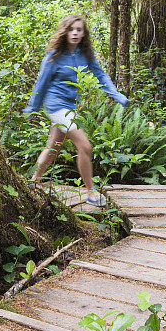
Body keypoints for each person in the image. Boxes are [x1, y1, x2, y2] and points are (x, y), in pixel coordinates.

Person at [23, 14, 129, 206]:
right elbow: (41, 83)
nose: (75, 33)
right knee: (85, 146)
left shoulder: (85, 54)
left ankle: (31, 182)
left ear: (83, 33)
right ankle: (91, 192)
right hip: (56, 106)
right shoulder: (54, 55)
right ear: (65, 32)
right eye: (71, 29)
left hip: (71, 107)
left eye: (79, 30)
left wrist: (116, 94)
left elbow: (100, 75)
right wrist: (32, 108)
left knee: (53, 147)